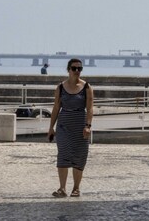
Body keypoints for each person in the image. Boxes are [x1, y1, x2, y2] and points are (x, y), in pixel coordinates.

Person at [48, 58, 94, 198]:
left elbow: (90, 108)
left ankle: (76, 188)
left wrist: (88, 126)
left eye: (79, 69)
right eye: (74, 68)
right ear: (68, 69)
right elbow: (56, 107)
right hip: (64, 126)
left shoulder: (87, 87)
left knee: (79, 156)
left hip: (80, 125)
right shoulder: (61, 87)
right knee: (63, 154)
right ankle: (62, 188)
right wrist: (51, 127)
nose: (77, 71)